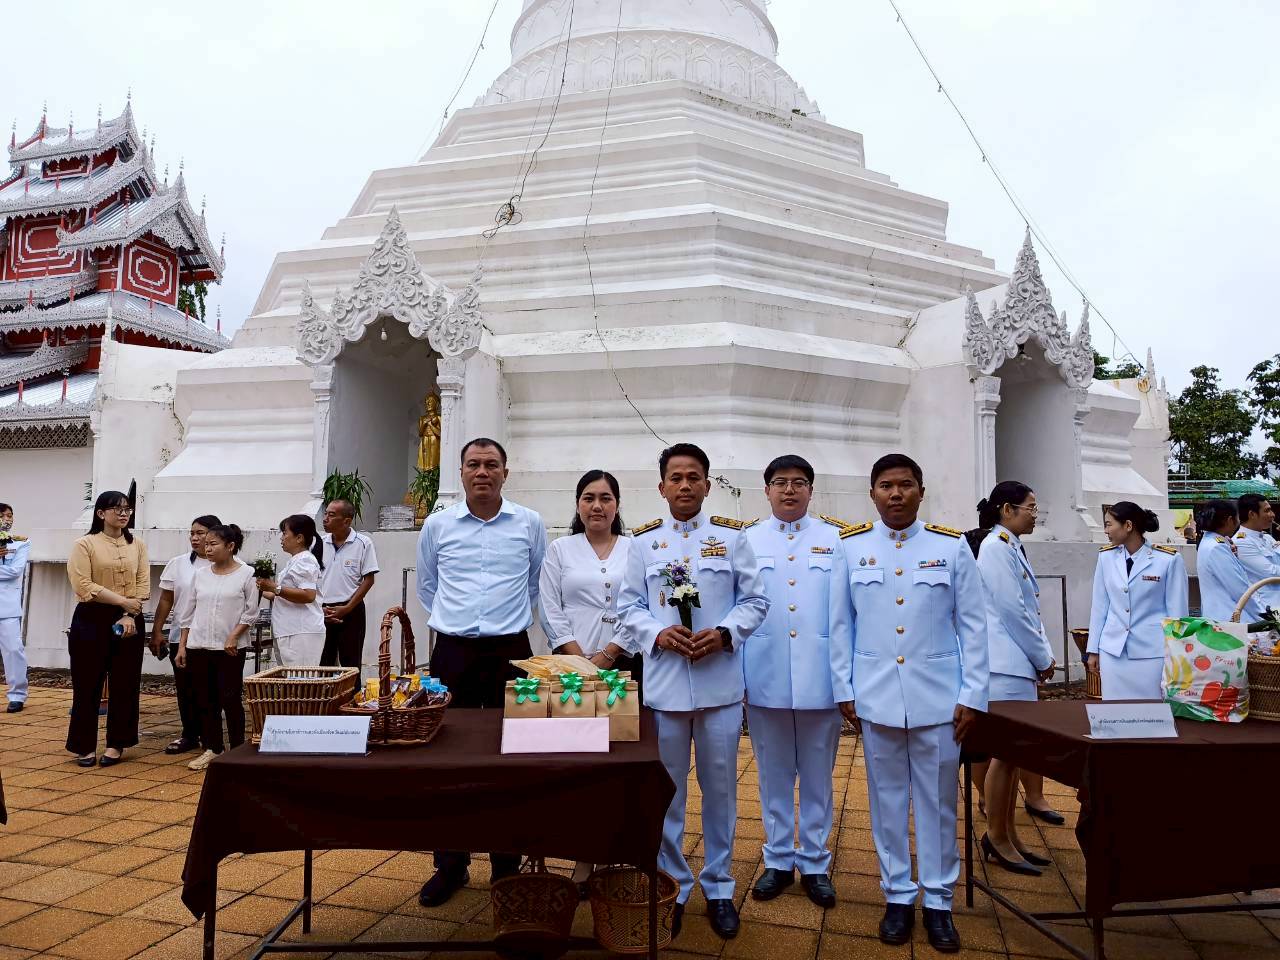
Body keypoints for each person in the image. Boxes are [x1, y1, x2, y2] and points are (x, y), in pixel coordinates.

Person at [830, 453, 987, 954]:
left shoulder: (950, 546)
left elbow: (975, 625)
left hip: (939, 699)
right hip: (876, 697)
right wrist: (845, 688)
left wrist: (973, 694)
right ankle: (898, 894)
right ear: (872, 493)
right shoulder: (850, 548)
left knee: (939, 803)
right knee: (887, 801)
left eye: (905, 485)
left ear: (921, 491)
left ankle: (938, 901)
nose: (895, 494)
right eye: (885, 486)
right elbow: (840, 626)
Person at [618, 442, 769, 941]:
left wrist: (726, 633)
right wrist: (656, 634)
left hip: (719, 686)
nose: (685, 485)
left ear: (707, 484)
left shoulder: (731, 539)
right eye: (676, 477)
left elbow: (756, 599)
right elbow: (630, 606)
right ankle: (675, 883)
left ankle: (720, 886)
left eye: (694, 477)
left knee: (721, 790)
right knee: (669, 793)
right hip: (665, 687)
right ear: (661, 487)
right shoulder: (643, 544)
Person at [415, 437, 548, 907]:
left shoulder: (529, 524)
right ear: (461, 472)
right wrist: (460, 625)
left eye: (492, 465)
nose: (483, 473)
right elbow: (428, 586)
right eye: (474, 464)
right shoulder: (438, 525)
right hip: (452, 653)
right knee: (447, 758)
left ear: (505, 473)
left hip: (511, 654)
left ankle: (506, 866)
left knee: (511, 757)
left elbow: (536, 582)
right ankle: (450, 864)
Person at [742, 455, 851, 909]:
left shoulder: (837, 538)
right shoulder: (746, 539)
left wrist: (844, 683)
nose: (790, 490)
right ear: (766, 490)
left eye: (799, 483)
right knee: (772, 773)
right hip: (764, 674)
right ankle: (777, 858)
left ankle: (815, 862)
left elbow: (845, 615)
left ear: (811, 490)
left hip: (819, 676)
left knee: (819, 775)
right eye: (780, 483)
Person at [538, 469, 638, 893]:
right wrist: (580, 660)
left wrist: (609, 654)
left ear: (617, 504)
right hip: (572, 674)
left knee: (620, 762)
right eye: (588, 497)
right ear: (578, 504)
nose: (597, 506)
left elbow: (643, 605)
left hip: (626, 669)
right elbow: (549, 606)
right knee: (580, 763)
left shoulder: (637, 549)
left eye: (606, 498)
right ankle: (581, 858)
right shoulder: (560, 549)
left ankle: (622, 850)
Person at [973, 483, 1055, 877]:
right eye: (1031, 507)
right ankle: (996, 836)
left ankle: (1009, 834)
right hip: (1003, 664)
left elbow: (1027, 608)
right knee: (1004, 755)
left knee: (1013, 755)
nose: (1035, 514)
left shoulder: (1008, 545)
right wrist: (1043, 656)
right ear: (1007, 509)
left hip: (1014, 662)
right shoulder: (995, 548)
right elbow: (1012, 611)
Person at [65, 490, 149, 767]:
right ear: (101, 513)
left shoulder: (137, 544)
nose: (124, 513)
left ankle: (117, 743)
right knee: (87, 683)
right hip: (92, 618)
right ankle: (83, 745)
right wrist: (122, 601)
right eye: (117, 509)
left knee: (125, 683)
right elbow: (83, 585)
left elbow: (143, 584)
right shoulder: (84, 544)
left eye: (127, 509)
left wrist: (127, 612)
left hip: (130, 617)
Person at [1086, 502, 1189, 700]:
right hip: (1113, 650)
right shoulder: (1106, 557)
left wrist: (1177, 655)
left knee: (1151, 713)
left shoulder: (1168, 560)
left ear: (1128, 525)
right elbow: (1100, 606)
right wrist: (1093, 650)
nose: (1106, 531)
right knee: (1115, 714)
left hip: (1152, 652)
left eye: (1109, 525)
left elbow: (1177, 615)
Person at [176, 524, 258, 771]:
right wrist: (182, 646)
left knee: (230, 697)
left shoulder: (247, 574)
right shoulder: (200, 575)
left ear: (230, 546)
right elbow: (187, 614)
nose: (207, 548)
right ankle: (213, 747)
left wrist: (234, 636)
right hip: (199, 644)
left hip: (230, 647)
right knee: (205, 698)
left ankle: (236, 748)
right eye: (206, 544)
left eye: (213, 544)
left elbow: (251, 612)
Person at [149, 514, 222, 754]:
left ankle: (212, 736)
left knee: (211, 688)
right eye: (192, 533)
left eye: (201, 533)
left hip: (214, 636)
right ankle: (190, 733)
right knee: (185, 688)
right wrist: (157, 630)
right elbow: (166, 599)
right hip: (181, 636)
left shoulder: (225, 564)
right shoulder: (178, 563)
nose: (195, 538)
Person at [258, 515, 327, 667]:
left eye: (284, 533)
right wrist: (261, 588)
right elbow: (281, 594)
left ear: (299, 538)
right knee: (290, 682)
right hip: (288, 629)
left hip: (300, 631)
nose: (281, 538)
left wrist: (274, 588)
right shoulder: (295, 560)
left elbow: (309, 595)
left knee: (301, 682)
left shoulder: (305, 560)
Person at [319, 499, 379, 669]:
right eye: (325, 513)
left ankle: (353, 696)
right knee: (323, 664)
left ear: (346, 521)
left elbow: (369, 579)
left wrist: (347, 608)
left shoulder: (363, 543)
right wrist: (318, 608)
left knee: (351, 665)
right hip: (323, 611)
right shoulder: (319, 544)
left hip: (351, 611)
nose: (325, 518)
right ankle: (325, 696)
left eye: (331, 515)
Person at [1194, 501, 1262, 622]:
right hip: (1231, 618)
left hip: (1221, 616)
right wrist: (1264, 615)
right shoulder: (1217, 547)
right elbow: (1239, 589)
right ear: (1230, 520)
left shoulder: (1212, 541)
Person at [0, 503, 29, 712]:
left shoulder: (20, 543)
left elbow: (15, 571)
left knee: (13, 650)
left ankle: (17, 695)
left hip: (6, 607)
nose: (8, 519)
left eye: (10, 515)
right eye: (3, 516)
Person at [1235, 494, 1280, 611]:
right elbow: (1271, 572)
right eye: (1267, 510)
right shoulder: (1242, 542)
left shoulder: (1267, 538)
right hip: (1267, 607)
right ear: (1252, 514)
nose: (1272, 515)